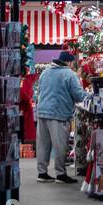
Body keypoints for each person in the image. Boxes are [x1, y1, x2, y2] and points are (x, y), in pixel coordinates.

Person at [34, 50, 87, 183]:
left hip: (42, 112)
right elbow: (79, 96)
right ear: (69, 62)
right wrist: (92, 94)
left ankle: (42, 173)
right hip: (58, 114)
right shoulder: (69, 74)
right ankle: (60, 174)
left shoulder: (45, 72)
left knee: (43, 145)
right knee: (60, 145)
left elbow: (38, 92)